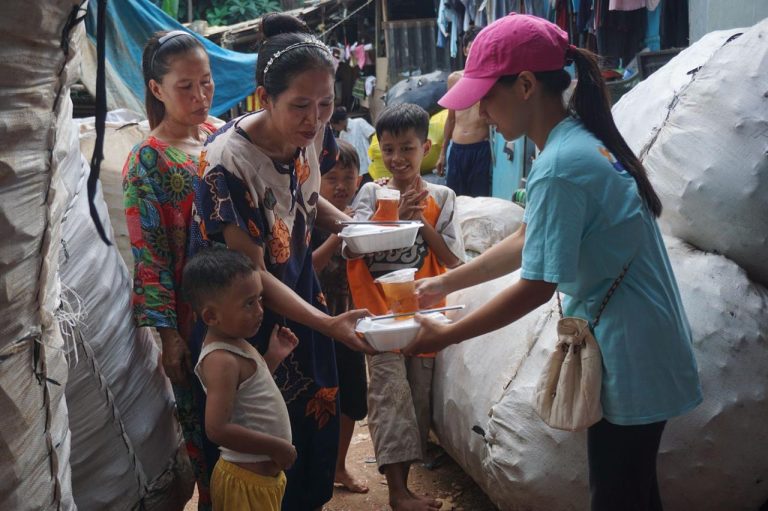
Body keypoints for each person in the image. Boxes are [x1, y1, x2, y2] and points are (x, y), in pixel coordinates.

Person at [407, 14, 702, 511]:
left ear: (525, 85)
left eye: (486, 95)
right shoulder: (575, 142)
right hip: (642, 342)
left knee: (617, 496)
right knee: (633, 492)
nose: (481, 110)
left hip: (630, 353)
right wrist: (447, 283)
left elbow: (536, 286)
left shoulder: (561, 165)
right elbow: (528, 238)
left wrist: (446, 335)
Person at [189, 13, 374, 511]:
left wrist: (354, 228)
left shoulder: (310, 132)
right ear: (264, 98)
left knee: (311, 434)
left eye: (325, 104)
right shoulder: (227, 163)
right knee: (254, 451)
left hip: (301, 300)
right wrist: (328, 324)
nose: (314, 119)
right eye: (300, 106)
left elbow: (305, 199)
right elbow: (252, 275)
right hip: (247, 316)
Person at [346, 103, 464, 511]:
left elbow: (453, 260)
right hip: (378, 319)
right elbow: (352, 247)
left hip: (423, 320)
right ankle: (397, 492)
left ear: (425, 148)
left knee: (415, 402)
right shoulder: (370, 193)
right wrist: (392, 216)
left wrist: (420, 222)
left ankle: (407, 486)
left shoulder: (442, 197)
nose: (397, 158)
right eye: (389, 149)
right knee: (388, 398)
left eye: (407, 149)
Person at [122, 29, 216, 509]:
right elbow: (151, 256)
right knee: (211, 432)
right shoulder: (147, 162)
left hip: (249, 305)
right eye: (186, 86)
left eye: (206, 82)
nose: (201, 96)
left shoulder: (220, 136)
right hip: (194, 322)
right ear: (157, 89)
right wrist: (169, 336)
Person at [184, 247, 298, 511]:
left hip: (259, 483)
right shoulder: (220, 360)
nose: (260, 310)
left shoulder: (235, 343)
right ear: (211, 316)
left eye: (260, 299)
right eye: (248, 303)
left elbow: (248, 391)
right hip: (244, 485)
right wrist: (276, 447)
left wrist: (273, 357)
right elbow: (217, 429)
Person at [311, 139, 369, 494]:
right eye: (332, 178)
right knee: (319, 398)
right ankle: (312, 468)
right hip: (316, 324)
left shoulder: (362, 217)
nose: (341, 186)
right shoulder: (309, 219)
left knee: (351, 399)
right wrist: (341, 233)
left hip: (352, 322)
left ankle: (339, 466)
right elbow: (310, 267)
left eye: (348, 178)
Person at [435, 26, 492, 197]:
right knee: (455, 200)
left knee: (479, 200)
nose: (474, 52)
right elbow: (451, 118)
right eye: (471, 47)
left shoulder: (490, 80)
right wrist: (442, 153)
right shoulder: (454, 79)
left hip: (481, 149)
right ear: (465, 50)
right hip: (457, 149)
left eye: (479, 48)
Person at [331, 106, 376, 186]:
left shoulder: (359, 122)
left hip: (368, 165)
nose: (335, 129)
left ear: (340, 122)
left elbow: (372, 136)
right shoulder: (342, 135)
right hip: (357, 170)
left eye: (335, 126)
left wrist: (373, 154)